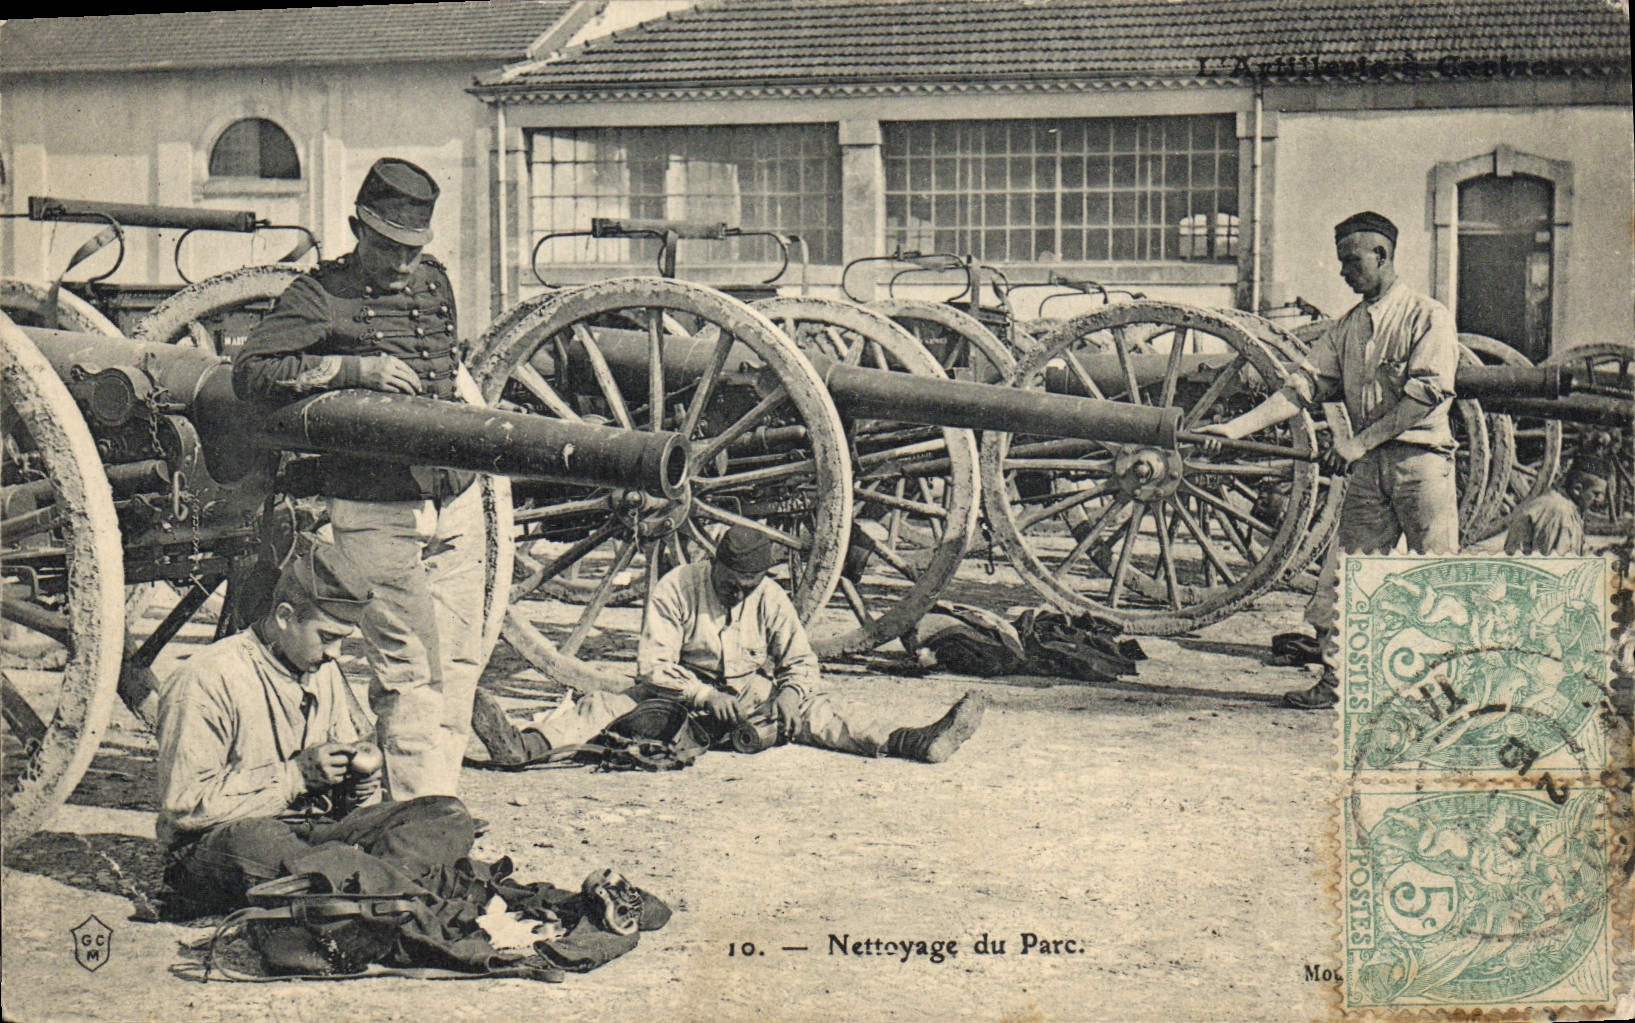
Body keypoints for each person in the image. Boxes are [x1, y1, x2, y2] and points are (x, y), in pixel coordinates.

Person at [234, 158, 486, 800]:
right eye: (387, 247)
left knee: (457, 666)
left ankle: (437, 810)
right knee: (409, 673)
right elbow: (253, 372)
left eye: (413, 249)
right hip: (374, 506)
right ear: (355, 229)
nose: (403, 264)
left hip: (451, 497)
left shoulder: (435, 282)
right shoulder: (319, 293)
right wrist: (351, 369)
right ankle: (414, 815)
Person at [1199, 210, 1460, 709]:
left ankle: (1447, 697)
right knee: (1352, 576)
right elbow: (1301, 389)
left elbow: (1426, 395)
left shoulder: (1429, 316)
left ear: (1382, 255)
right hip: (1368, 472)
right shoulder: (1347, 328)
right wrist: (1232, 429)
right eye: (1341, 261)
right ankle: (1338, 683)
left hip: (1421, 465)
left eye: (1352, 260)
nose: (1344, 271)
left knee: (1436, 580)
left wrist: (1359, 443)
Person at [472, 525, 987, 766]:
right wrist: (701, 695)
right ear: (713, 562)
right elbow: (652, 665)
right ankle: (524, 746)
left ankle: (911, 742)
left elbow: (801, 661)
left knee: (822, 714)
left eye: (748, 586)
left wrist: (789, 694)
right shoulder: (678, 585)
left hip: (746, 700)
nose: (738, 594)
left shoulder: (768, 596)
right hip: (674, 700)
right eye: (730, 584)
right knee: (601, 705)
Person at [155, 541, 475, 916]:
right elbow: (186, 807)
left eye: (343, 639)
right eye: (327, 637)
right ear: (285, 616)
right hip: (217, 847)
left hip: (310, 838)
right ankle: (387, 891)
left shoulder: (321, 669)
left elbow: (340, 805)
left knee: (444, 815)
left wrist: (356, 780)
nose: (336, 653)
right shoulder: (206, 679)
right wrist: (295, 777)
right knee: (256, 838)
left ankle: (356, 892)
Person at [1503, 454, 1610, 556]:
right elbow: (1555, 564)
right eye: (1596, 494)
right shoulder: (1559, 512)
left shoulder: (1563, 504)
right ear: (1577, 489)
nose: (1600, 500)